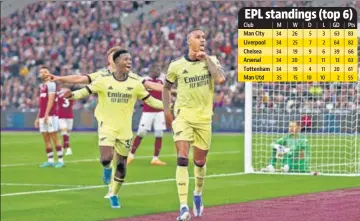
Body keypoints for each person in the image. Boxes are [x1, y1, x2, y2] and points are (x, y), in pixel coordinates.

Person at [64, 49, 163, 208]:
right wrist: (72, 95)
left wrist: (170, 106)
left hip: (125, 130)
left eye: (130, 59)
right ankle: (107, 168)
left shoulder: (135, 83)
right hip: (107, 127)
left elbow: (151, 101)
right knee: (106, 158)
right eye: (125, 59)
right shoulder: (104, 80)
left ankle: (114, 194)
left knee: (122, 165)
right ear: (115, 62)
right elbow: (85, 91)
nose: (129, 62)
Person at [162, 28, 226, 220]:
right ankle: (183, 207)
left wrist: (206, 59)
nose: (202, 40)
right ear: (189, 41)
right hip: (183, 116)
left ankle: (197, 193)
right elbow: (166, 87)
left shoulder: (211, 60)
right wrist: (167, 111)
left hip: (204, 119)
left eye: (204, 37)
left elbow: (221, 79)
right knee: (182, 158)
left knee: (199, 161)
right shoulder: (176, 65)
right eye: (198, 37)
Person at [128, 65, 167, 166]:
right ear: (151, 71)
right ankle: (130, 155)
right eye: (157, 69)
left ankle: (155, 158)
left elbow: (166, 91)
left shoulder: (161, 80)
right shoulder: (145, 80)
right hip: (147, 112)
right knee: (141, 133)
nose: (158, 71)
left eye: (159, 69)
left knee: (159, 134)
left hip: (159, 111)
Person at [34, 66, 64, 168]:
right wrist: (38, 117)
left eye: (44, 72)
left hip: (50, 116)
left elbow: (51, 100)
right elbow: (41, 104)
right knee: (46, 138)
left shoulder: (51, 85)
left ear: (48, 74)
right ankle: (50, 160)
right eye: (40, 72)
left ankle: (60, 161)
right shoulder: (42, 87)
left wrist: (46, 114)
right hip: (43, 116)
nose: (41, 73)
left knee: (54, 137)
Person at [57, 86, 74, 155]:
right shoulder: (72, 96)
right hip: (68, 116)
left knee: (66, 134)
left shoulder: (59, 96)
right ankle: (68, 148)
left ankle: (63, 147)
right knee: (65, 133)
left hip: (63, 116)